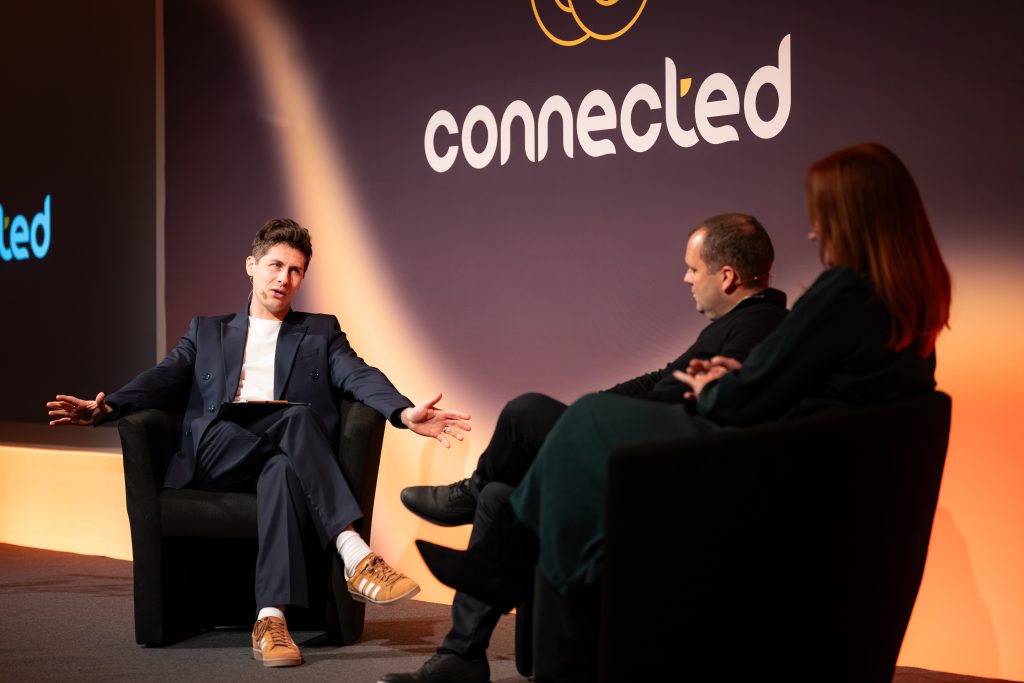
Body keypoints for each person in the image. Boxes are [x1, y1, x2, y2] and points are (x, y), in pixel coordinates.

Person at [415, 143, 951, 676]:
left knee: (584, 417)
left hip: (735, 458)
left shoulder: (842, 293)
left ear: (851, 217)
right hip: (789, 473)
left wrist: (719, 385)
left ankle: (497, 565)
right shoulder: (910, 303)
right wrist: (740, 379)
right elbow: (810, 390)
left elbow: (753, 397)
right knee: (581, 423)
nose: (815, 232)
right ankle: (498, 566)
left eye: (822, 217)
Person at [46, 219, 471, 669]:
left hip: (286, 454)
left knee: (284, 468)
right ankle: (354, 552)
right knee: (296, 417)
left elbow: (359, 375)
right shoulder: (207, 331)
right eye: (274, 265)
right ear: (251, 266)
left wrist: (403, 413)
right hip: (218, 453)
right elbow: (164, 378)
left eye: (295, 270)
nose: (283, 278)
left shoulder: (320, 332)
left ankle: (270, 621)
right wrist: (109, 407)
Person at [384, 213, 787, 683]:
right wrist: (594, 409)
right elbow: (665, 379)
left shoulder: (761, 328)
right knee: (501, 496)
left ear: (727, 276)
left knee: (524, 410)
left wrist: (599, 420)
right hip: (633, 453)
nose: (686, 279)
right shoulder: (740, 321)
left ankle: (467, 495)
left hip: (653, 475)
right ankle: (462, 656)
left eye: (693, 269)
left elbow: (700, 408)